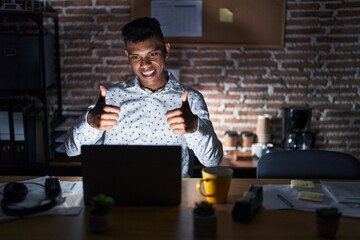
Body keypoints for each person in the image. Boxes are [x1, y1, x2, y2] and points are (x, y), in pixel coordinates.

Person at [64, 17, 223, 177]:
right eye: (136, 57)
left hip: (170, 192)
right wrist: (90, 122)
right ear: (127, 56)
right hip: (117, 190)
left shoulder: (191, 99)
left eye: (152, 54)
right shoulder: (111, 96)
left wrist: (194, 127)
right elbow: (71, 150)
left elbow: (212, 161)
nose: (145, 64)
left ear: (167, 50)